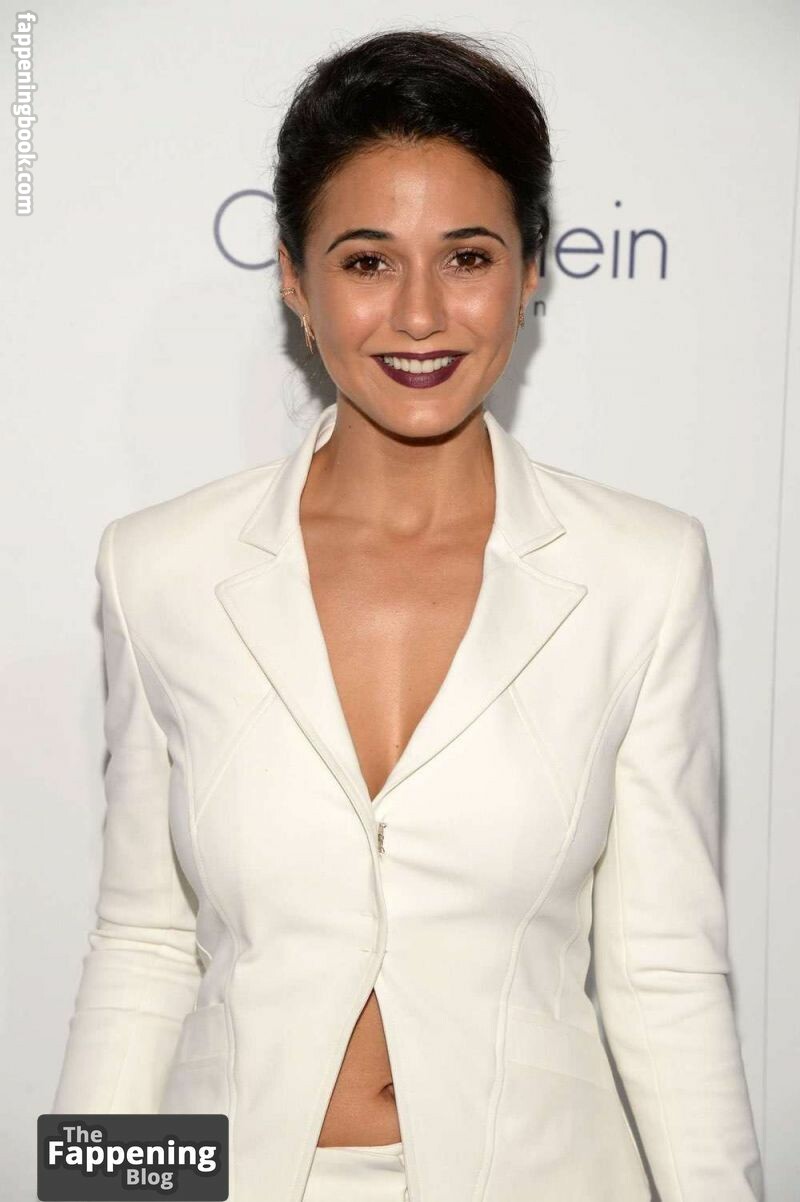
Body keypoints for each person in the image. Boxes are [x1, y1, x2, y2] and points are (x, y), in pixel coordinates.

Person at [52, 28, 764, 1202]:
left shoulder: (640, 570)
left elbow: (662, 969)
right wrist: (91, 1192)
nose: (421, 314)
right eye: (368, 261)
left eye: (467, 256)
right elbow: (143, 944)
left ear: (530, 272)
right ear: (294, 278)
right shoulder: (159, 568)